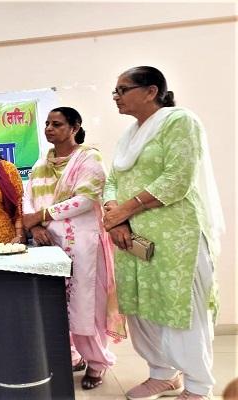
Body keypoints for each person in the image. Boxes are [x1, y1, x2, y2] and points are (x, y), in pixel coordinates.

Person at [103, 66, 223, 400]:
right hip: (132, 239)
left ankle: (199, 387)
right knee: (142, 308)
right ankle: (162, 375)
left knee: (179, 309)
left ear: (151, 91)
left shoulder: (179, 121)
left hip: (175, 236)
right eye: (114, 91)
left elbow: (177, 179)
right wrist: (117, 220)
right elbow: (113, 180)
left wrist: (122, 212)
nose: (116, 97)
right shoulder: (129, 135)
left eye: (122, 89)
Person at [22, 107, 125, 390]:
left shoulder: (89, 159)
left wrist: (41, 216)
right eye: (47, 124)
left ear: (74, 127)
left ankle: (97, 362)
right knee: (58, 305)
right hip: (49, 243)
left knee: (87, 306)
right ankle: (75, 355)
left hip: (83, 244)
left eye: (57, 124)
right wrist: (35, 227)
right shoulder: (40, 166)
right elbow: (27, 200)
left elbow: (85, 199)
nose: (49, 128)